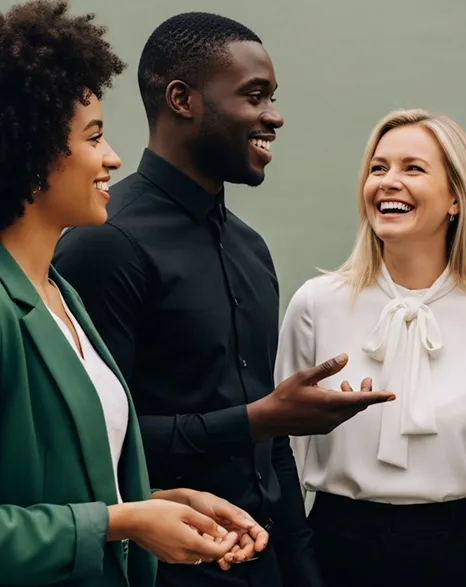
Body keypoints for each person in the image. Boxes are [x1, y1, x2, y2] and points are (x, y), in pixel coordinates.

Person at [52, 11, 393, 587]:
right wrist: (252, 421)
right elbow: (95, 443)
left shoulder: (251, 251)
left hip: (266, 566)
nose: (274, 116)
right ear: (182, 99)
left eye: (273, 97)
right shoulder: (104, 244)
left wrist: (300, 564)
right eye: (254, 96)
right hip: (160, 570)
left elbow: (270, 437)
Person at [0, 2, 271, 586]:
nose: (113, 158)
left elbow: (66, 484)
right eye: (94, 136)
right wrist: (122, 521)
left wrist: (160, 503)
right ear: (32, 152)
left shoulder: (62, 295)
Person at [274, 108, 466, 587]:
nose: (388, 181)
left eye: (413, 168)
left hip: (458, 554)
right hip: (334, 549)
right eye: (378, 168)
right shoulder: (314, 305)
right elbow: (284, 454)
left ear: (455, 199)